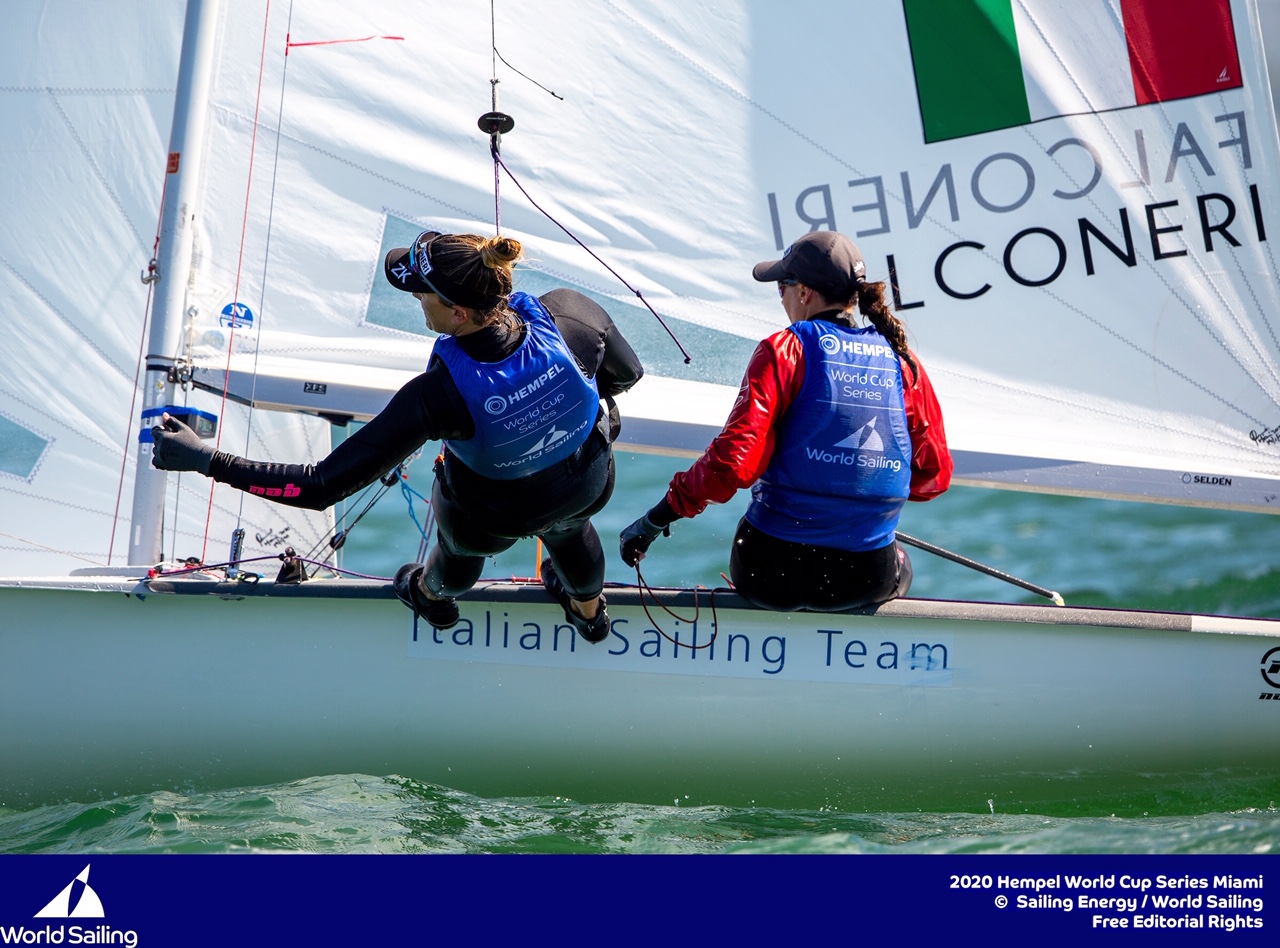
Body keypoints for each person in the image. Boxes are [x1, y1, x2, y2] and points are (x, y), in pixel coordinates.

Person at [153, 230, 643, 642]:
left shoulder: (436, 396)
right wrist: (548, 405)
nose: (415, 299)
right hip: (587, 485)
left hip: (492, 519)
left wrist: (205, 460)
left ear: (458, 314)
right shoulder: (570, 315)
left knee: (462, 548)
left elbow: (320, 486)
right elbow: (627, 373)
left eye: (421, 293)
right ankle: (590, 616)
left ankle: (432, 597)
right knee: (567, 527)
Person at [619, 230, 951, 611]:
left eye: (782, 287)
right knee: (901, 562)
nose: (781, 298)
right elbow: (934, 476)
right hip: (864, 579)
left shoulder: (784, 350)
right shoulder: (903, 362)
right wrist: (855, 492)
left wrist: (655, 520)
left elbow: (732, 464)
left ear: (805, 293)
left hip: (770, 574)